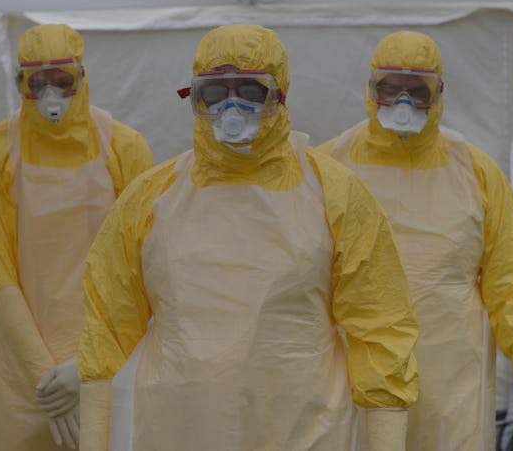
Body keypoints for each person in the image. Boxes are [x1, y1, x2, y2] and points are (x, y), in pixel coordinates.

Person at [77, 24, 419, 451]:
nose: (232, 106)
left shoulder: (334, 193)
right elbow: (107, 327)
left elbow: (381, 326)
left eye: (251, 91)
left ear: (279, 94)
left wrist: (385, 439)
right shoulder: (150, 198)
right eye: (215, 92)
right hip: (176, 426)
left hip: (303, 428)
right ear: (195, 98)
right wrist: (94, 435)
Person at [318, 30, 513, 450]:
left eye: (419, 90)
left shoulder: (476, 173)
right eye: (389, 89)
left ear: (439, 93)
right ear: (371, 89)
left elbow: (512, 283)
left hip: (453, 387)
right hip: (354, 382)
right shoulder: (326, 167)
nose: (403, 103)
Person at [0, 23, 153, 450]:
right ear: (20, 83)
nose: (51, 93)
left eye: (63, 81)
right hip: (16, 370)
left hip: (104, 361)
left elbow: (138, 269)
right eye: (38, 82)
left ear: (83, 78)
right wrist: (46, 379)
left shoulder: (125, 150)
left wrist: (87, 367)